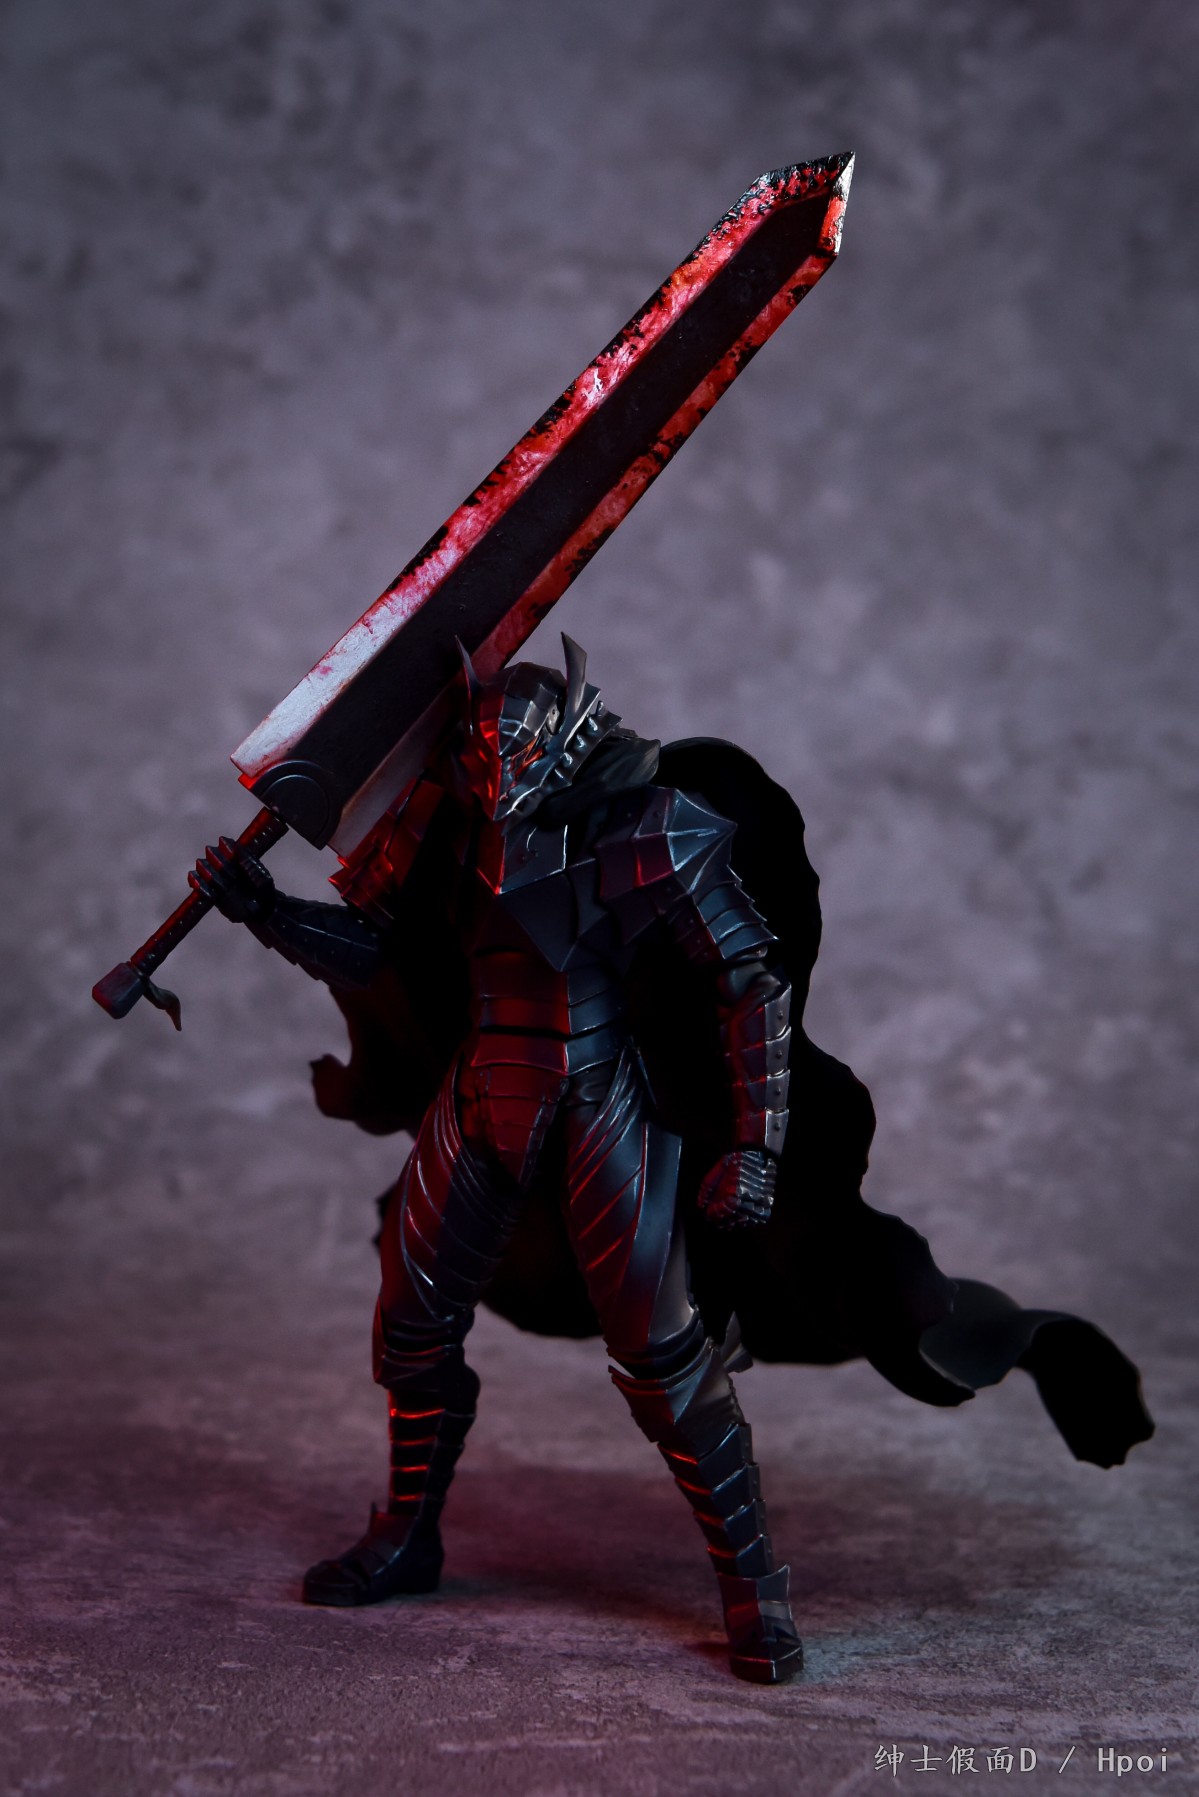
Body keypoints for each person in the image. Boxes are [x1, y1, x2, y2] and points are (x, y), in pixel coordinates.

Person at [192, 636, 1153, 1686]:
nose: (499, 776)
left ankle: (753, 1585)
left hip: (603, 1098)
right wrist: (267, 912)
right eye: (482, 753)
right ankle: (405, 1533)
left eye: (520, 753)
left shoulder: (649, 833)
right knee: (411, 1326)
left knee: (662, 1360)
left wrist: (753, 1147)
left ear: (568, 744)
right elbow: (382, 954)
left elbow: (748, 985)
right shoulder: (446, 823)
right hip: (481, 1092)